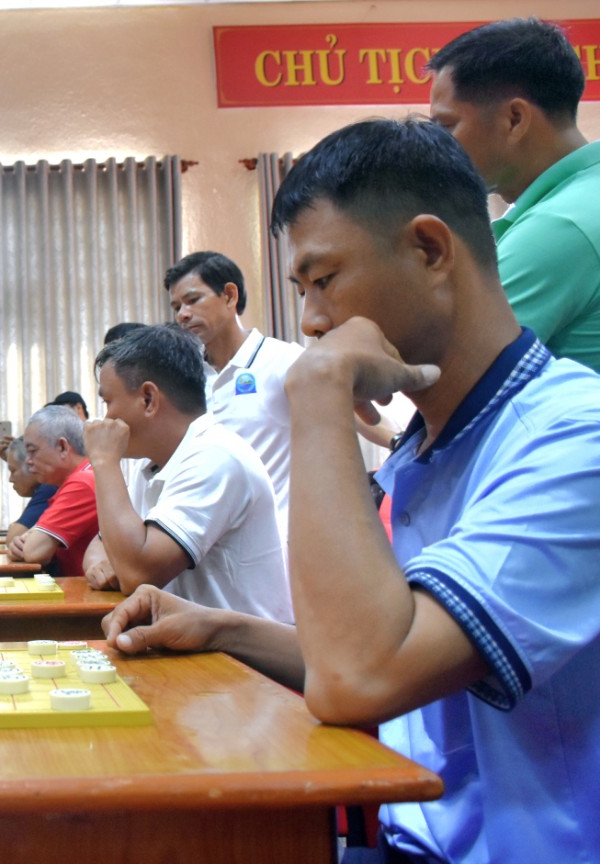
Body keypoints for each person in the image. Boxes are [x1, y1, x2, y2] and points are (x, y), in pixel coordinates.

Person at [103, 117, 600, 863]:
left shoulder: (573, 437)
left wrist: (319, 391)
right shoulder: (431, 448)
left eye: (325, 280)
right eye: (301, 289)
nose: (312, 322)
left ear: (430, 249)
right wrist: (221, 629)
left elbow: (358, 677)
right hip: (406, 838)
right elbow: (377, 649)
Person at [82, 325, 290, 621]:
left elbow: (137, 573)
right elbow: (102, 544)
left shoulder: (215, 457)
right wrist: (98, 563)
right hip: (186, 639)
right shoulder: (153, 464)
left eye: (108, 402)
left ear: (148, 399)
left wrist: (104, 461)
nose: (105, 418)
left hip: (238, 650)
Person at [429, 17, 600, 373]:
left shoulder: (558, 226)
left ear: (515, 119)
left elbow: (452, 376)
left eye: (447, 126)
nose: (439, 147)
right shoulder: (585, 196)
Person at [165, 251, 304, 534]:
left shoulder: (283, 360)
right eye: (176, 307)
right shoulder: (185, 380)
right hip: (206, 542)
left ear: (229, 295)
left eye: (193, 300)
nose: (183, 315)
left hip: (276, 541)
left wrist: (393, 441)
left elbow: (349, 415)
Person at [8, 406, 98, 575]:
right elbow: (24, 542)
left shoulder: (83, 482)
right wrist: (23, 543)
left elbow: (33, 551)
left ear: (62, 447)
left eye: (32, 451)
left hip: (85, 590)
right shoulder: (78, 478)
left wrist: (26, 544)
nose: (28, 461)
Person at [3, 436, 58, 544]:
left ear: (31, 465)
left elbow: (13, 538)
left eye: (13, 470)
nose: (10, 479)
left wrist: (14, 527)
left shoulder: (49, 488)